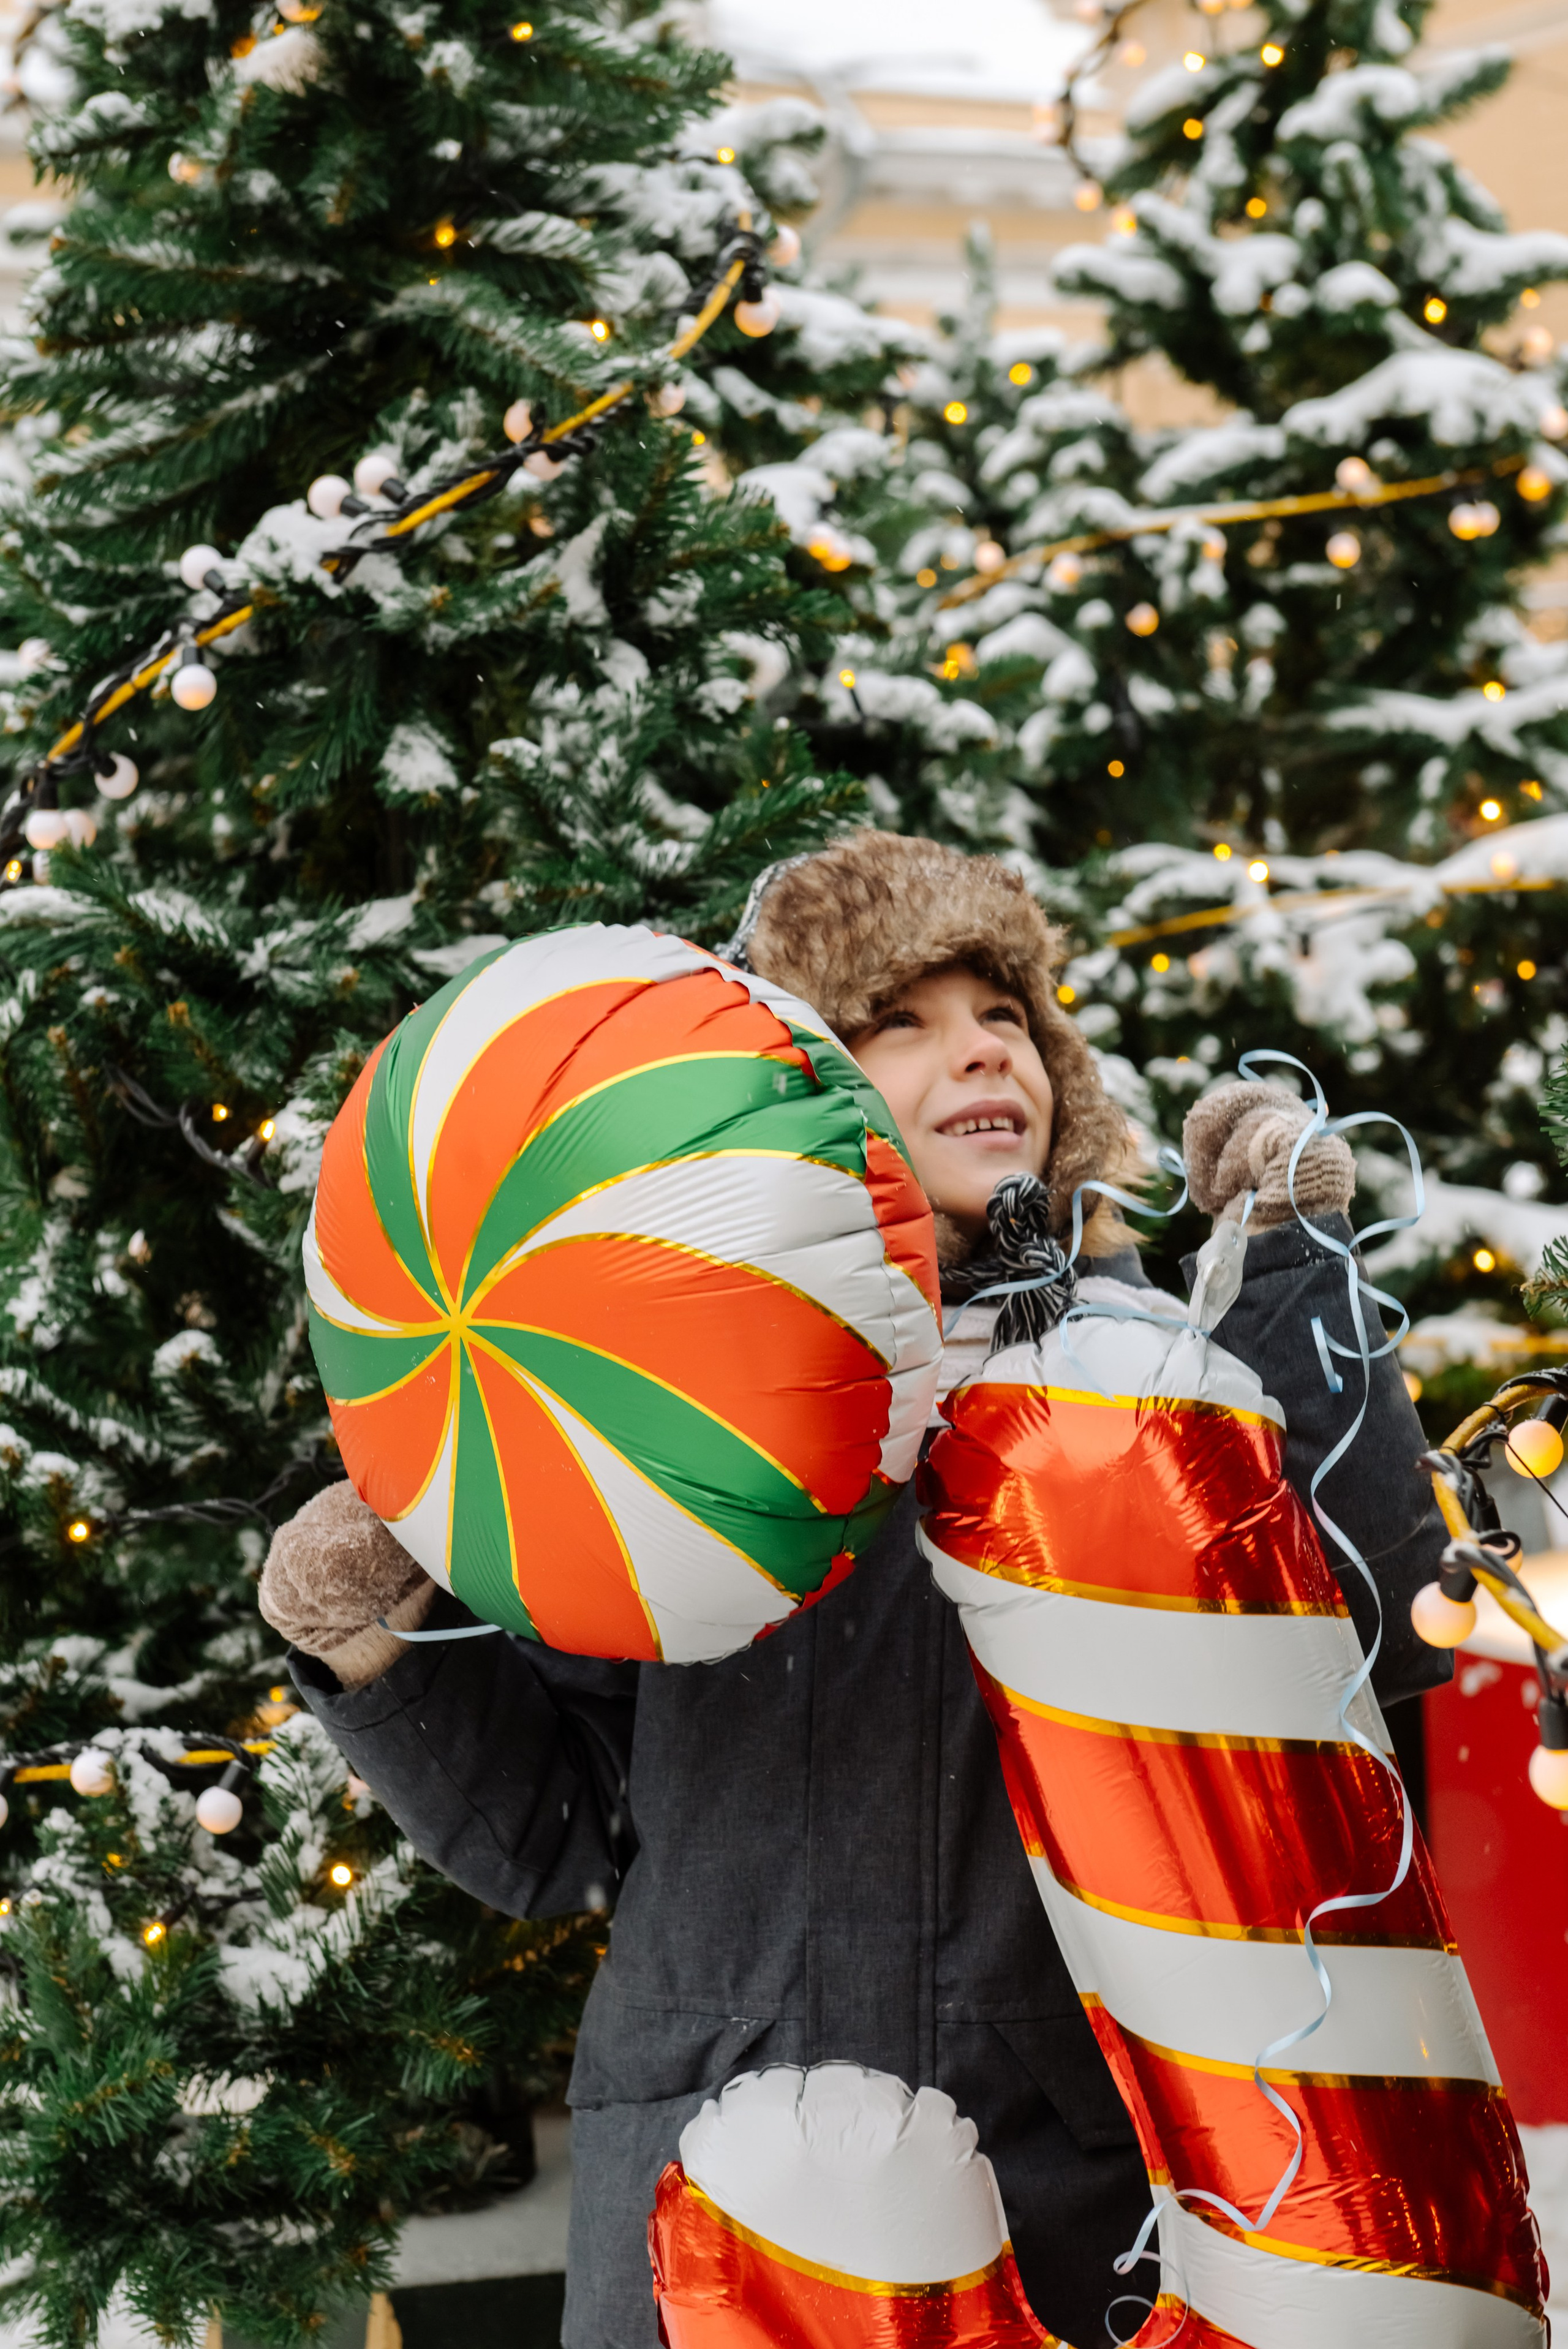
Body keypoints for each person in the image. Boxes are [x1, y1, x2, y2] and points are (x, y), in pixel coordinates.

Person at [260, 832, 1451, 2349]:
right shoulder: (663, 1414)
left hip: (1048, 2178)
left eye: (1004, 1014)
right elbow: (547, 1836)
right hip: (707, 2178)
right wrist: (385, 1650)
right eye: (902, 1020)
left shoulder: (1137, 1373)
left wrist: (1284, 1273)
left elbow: (1361, 1645)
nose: (983, 1050)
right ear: (796, 1089)